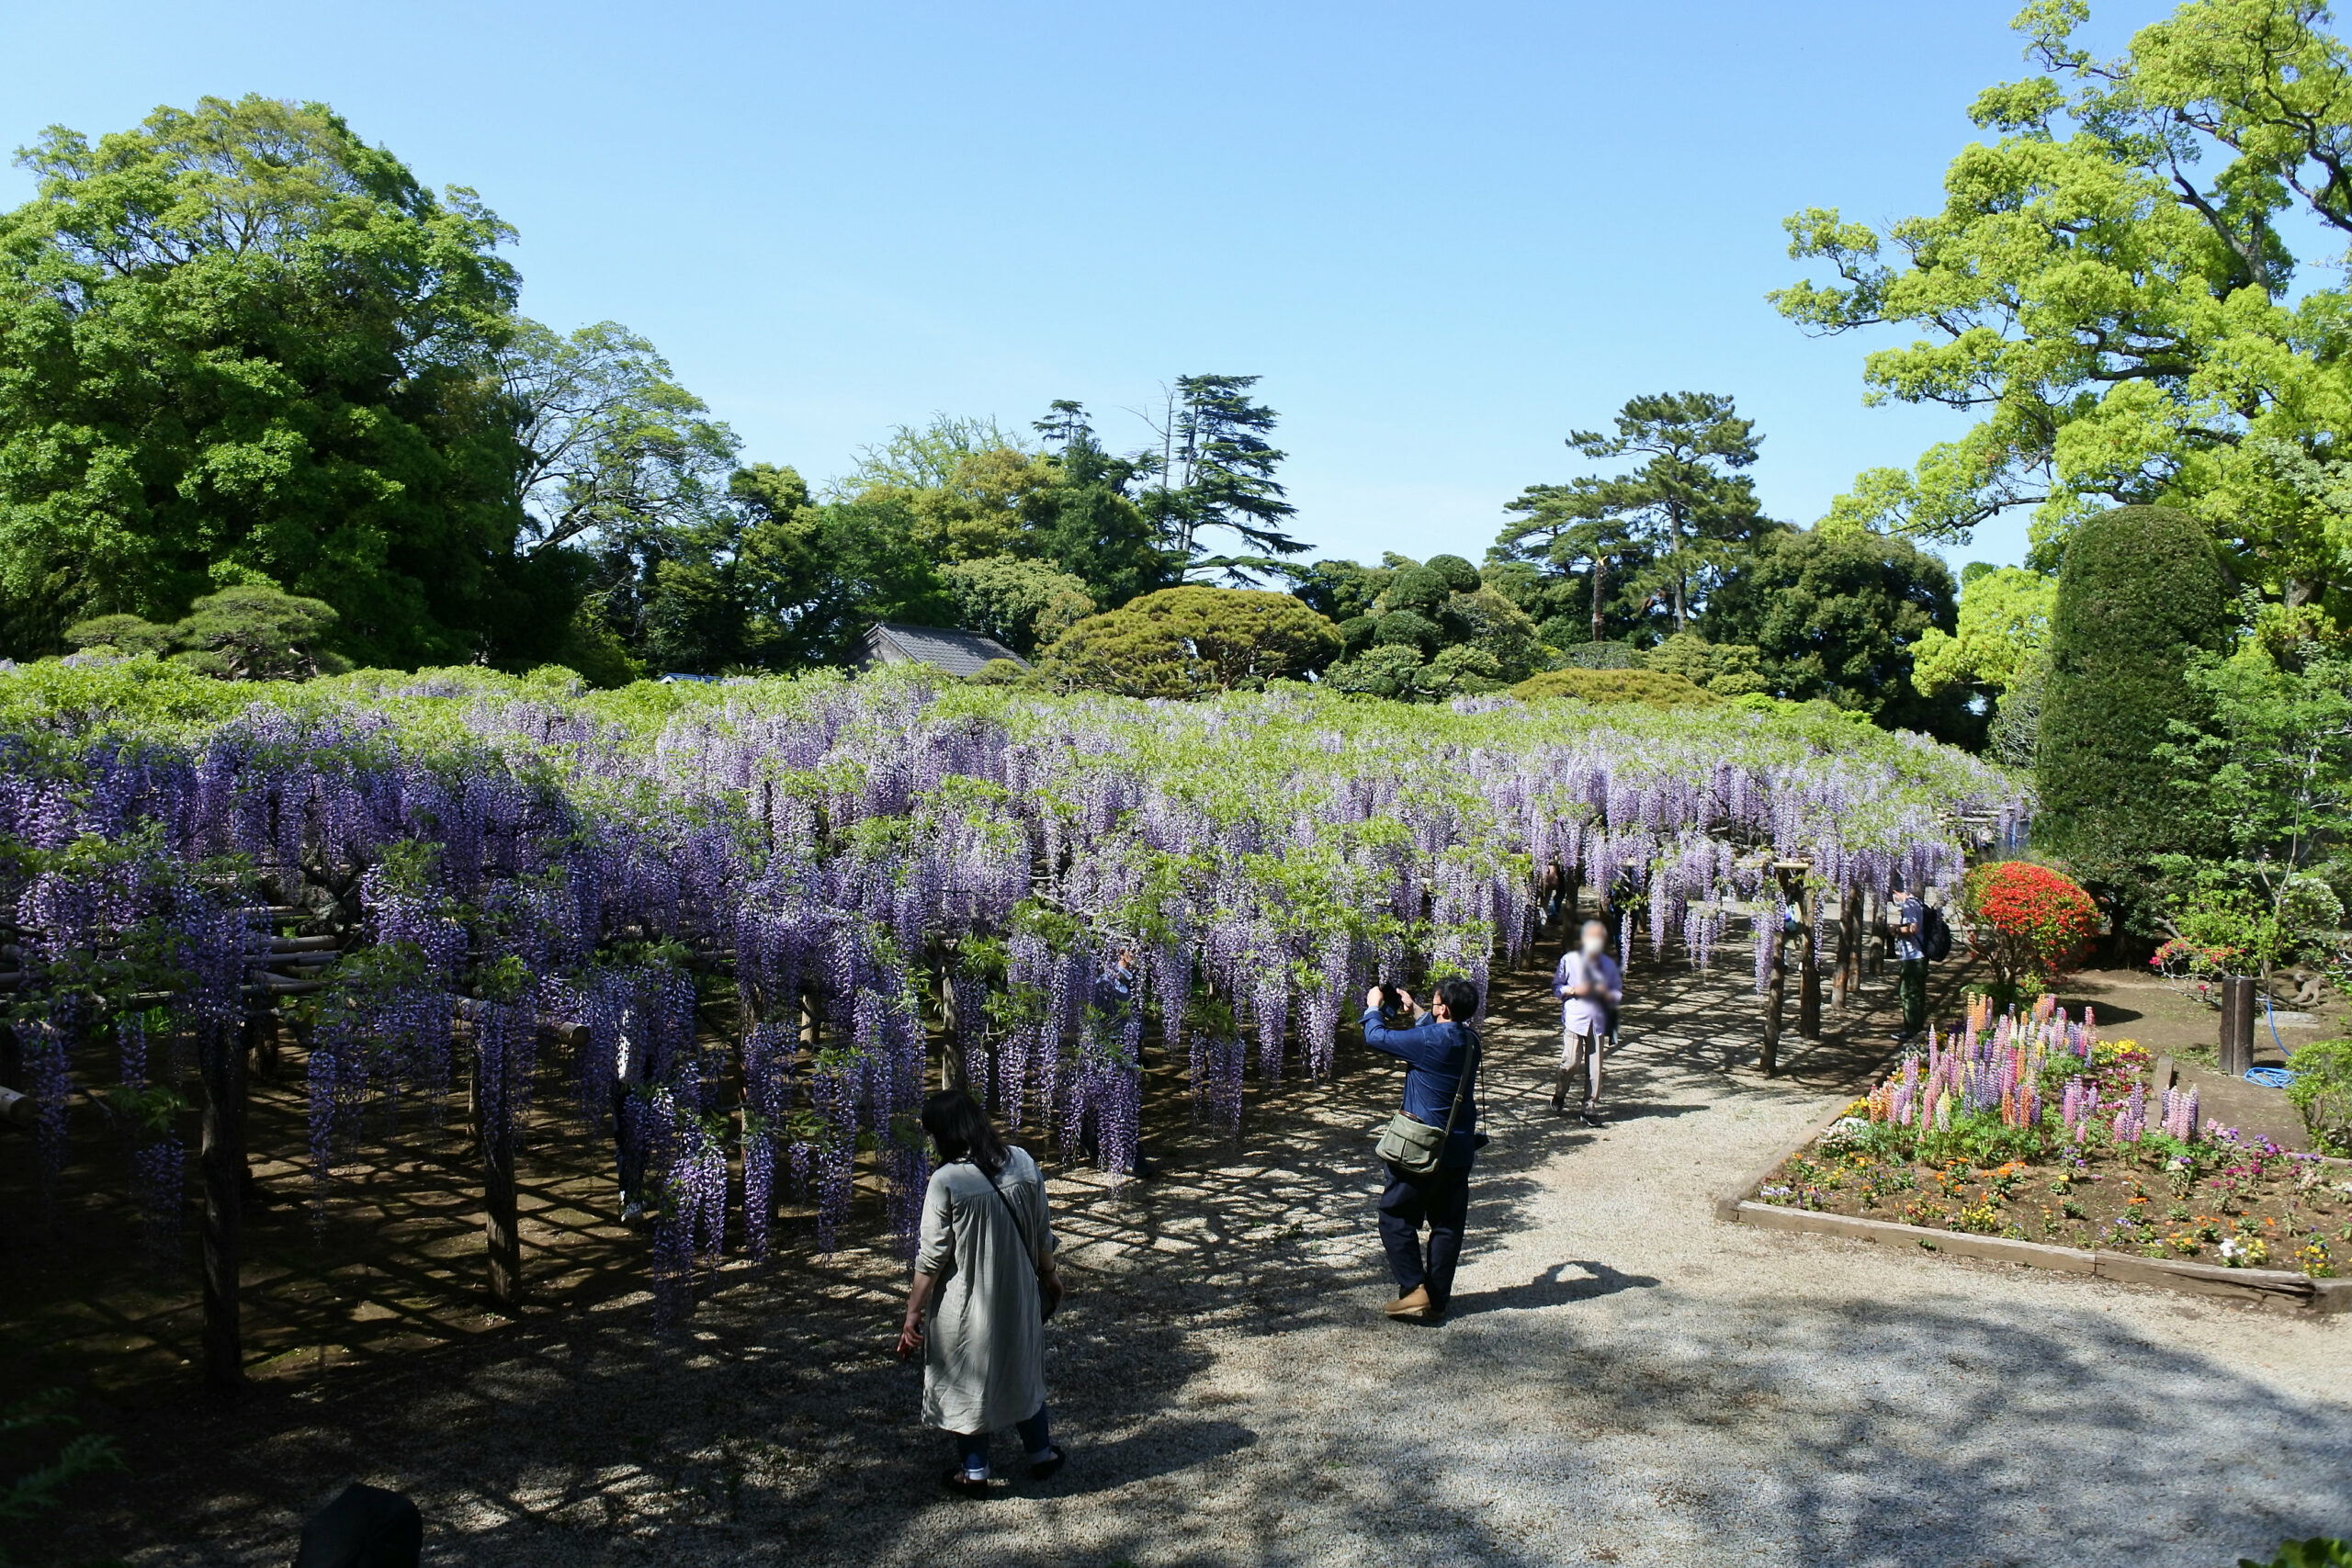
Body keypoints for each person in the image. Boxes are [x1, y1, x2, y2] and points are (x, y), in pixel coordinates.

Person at [897, 1089, 1068, 1497]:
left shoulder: (946, 1180)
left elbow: (931, 1258)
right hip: (1021, 1294)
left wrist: (912, 1313)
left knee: (966, 1380)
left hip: (965, 1302)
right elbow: (1044, 1230)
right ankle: (1041, 1455)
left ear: (943, 1133)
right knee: (1022, 1367)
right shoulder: (1022, 1161)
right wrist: (1050, 1274)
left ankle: (974, 1473)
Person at [1360, 976, 1483, 1325]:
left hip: (1419, 1148)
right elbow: (1442, 1036)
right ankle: (1438, 1302)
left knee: (1395, 1215)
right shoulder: (1472, 1042)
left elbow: (1376, 1037)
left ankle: (1414, 1290)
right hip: (1458, 1148)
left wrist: (1372, 1007)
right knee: (1447, 1224)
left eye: (1434, 1001)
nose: (1432, 1004)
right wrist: (1415, 1010)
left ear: (1443, 1006)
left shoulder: (1429, 1040)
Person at [1551, 919, 1621, 1126]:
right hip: (1575, 1017)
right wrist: (1572, 991)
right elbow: (1557, 987)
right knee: (1571, 1062)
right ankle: (1560, 1093)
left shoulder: (1608, 965)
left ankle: (1589, 1105)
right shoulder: (1569, 960)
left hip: (1597, 1020)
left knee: (1595, 1067)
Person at [1890, 873, 1927, 1043]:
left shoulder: (1909, 905)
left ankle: (1912, 1030)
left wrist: (1895, 930)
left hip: (1913, 957)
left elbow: (1912, 928)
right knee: (1916, 992)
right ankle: (1916, 1027)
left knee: (1908, 992)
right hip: (1919, 956)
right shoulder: (1918, 903)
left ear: (1897, 892)